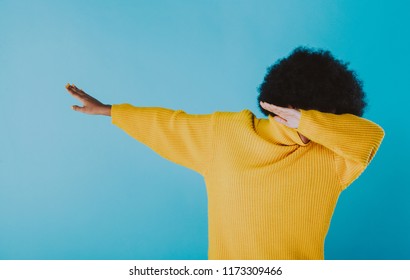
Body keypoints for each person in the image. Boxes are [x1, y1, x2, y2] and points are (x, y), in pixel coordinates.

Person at [66, 47, 384, 260]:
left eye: (326, 115)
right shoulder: (226, 135)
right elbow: (168, 124)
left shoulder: (333, 155)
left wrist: (308, 122)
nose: (310, 120)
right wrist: (109, 111)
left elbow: (371, 135)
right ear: (283, 101)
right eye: (299, 110)